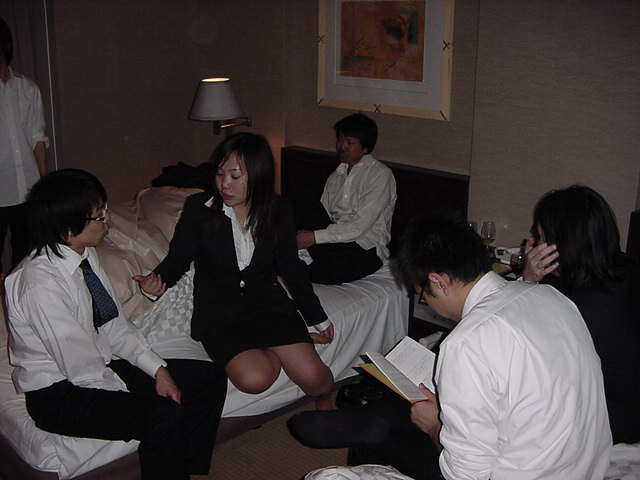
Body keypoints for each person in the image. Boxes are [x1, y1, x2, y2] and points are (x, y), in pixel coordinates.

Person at [291, 214, 612, 480]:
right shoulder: (552, 297)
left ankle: (368, 430)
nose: (427, 303)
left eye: (422, 294)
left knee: (379, 443)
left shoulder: (466, 344)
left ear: (439, 281)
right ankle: (371, 421)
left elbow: (465, 475)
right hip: (585, 468)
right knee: (414, 414)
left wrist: (435, 425)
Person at [5, 169, 227, 480]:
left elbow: (114, 325)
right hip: (58, 393)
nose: (108, 219)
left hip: (97, 364)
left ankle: (185, 466)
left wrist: (158, 370)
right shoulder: (40, 285)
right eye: (99, 215)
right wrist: (134, 394)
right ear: (68, 227)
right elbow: (81, 366)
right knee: (164, 416)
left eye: (105, 209)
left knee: (209, 377)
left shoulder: (85, 257)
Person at [134, 132, 334, 405]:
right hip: (220, 314)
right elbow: (178, 259)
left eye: (235, 176)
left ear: (259, 176)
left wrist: (317, 316)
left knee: (315, 379)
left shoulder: (278, 210)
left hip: (268, 305)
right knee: (255, 380)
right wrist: (156, 283)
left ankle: (323, 395)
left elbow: (291, 267)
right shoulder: (199, 208)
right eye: (220, 174)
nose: (224, 184)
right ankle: (282, 346)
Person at [523, 184, 640, 444]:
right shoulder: (624, 269)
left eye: (540, 237)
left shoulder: (578, 310)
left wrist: (528, 282)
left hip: (607, 428)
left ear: (561, 246)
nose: (535, 244)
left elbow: (521, 341)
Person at [293, 113, 396, 285]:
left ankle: (303, 265)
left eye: (349, 142)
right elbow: (322, 215)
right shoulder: (335, 177)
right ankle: (299, 262)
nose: (342, 146)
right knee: (299, 195)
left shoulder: (379, 175)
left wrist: (314, 237)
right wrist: (312, 236)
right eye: (340, 140)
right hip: (333, 244)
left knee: (334, 269)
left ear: (365, 147)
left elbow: (359, 227)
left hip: (364, 248)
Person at [0, 17, 48, 274]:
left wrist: (44, 182)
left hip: (28, 188)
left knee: (26, 258)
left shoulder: (27, 88)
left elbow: (37, 136)